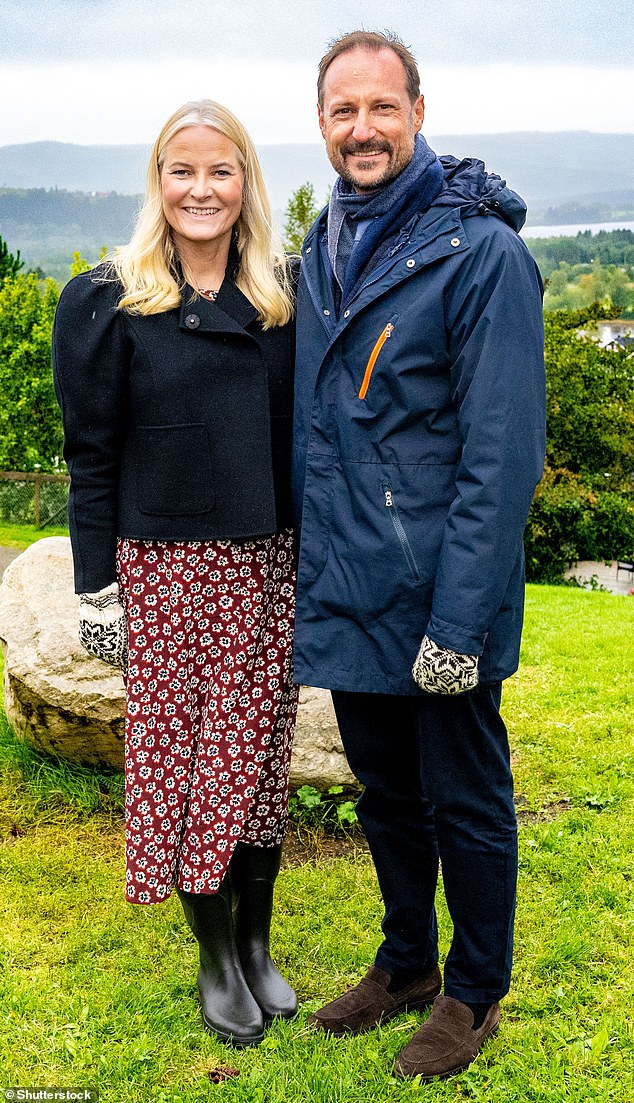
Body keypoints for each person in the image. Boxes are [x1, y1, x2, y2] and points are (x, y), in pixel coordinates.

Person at [291, 32, 546, 1080]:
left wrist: (459, 620)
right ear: (321, 123)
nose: (362, 129)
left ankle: (475, 988)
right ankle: (406, 962)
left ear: (418, 109)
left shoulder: (479, 252)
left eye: (381, 108)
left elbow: (503, 451)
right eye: (342, 111)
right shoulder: (322, 246)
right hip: (352, 585)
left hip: (441, 589)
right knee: (385, 792)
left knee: (466, 795)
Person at [53, 100, 299, 1048]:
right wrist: (95, 589)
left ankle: (256, 940)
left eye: (221, 171)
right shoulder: (112, 300)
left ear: (246, 184)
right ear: (158, 181)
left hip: (269, 559)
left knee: (260, 757)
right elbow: (92, 456)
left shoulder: (281, 296)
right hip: (165, 568)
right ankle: (213, 955)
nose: (202, 190)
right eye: (182, 171)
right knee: (190, 766)